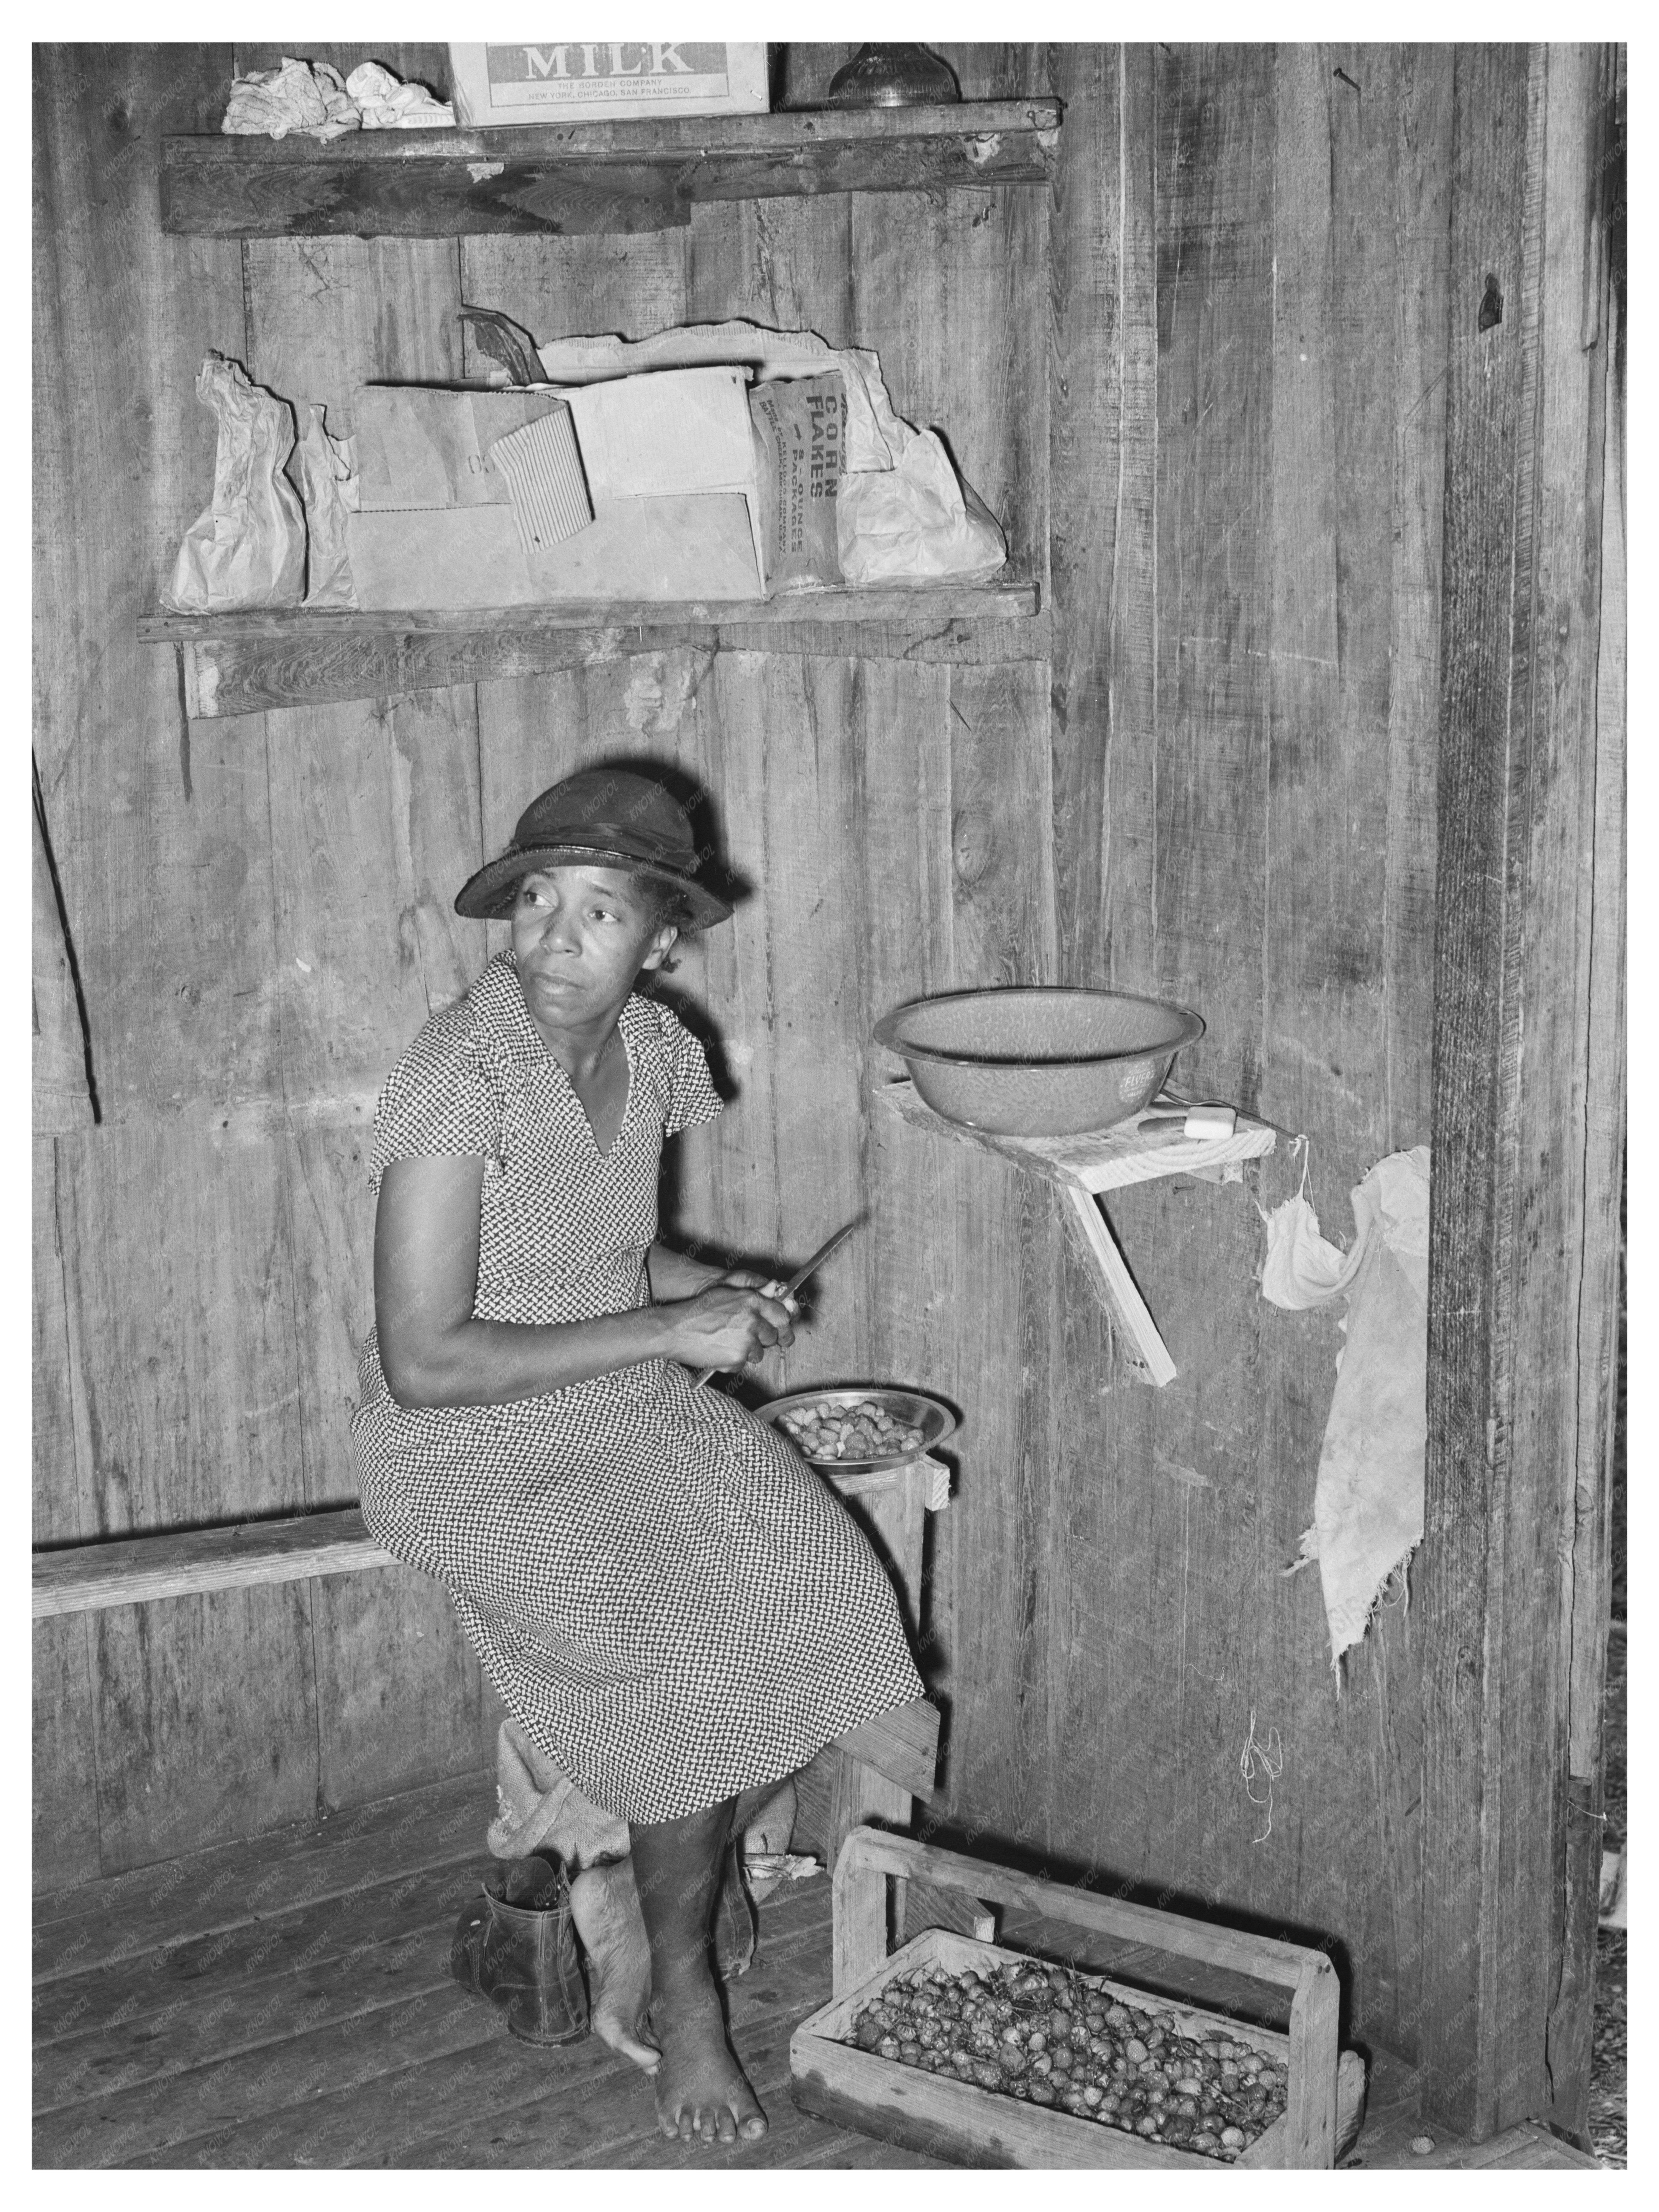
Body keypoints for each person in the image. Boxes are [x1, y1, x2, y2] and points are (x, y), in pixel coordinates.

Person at [350, 766, 927, 2146]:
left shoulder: (652, 1049)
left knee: (831, 1598)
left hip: (618, 1407)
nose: (555, 938)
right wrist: (671, 1327)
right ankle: (685, 1998)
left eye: (600, 912)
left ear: (660, 941)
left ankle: (644, 1864)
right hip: (469, 1453)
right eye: (536, 903)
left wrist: (712, 1294)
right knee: (692, 1678)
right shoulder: (456, 1079)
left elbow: (606, 1256)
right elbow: (424, 1360)